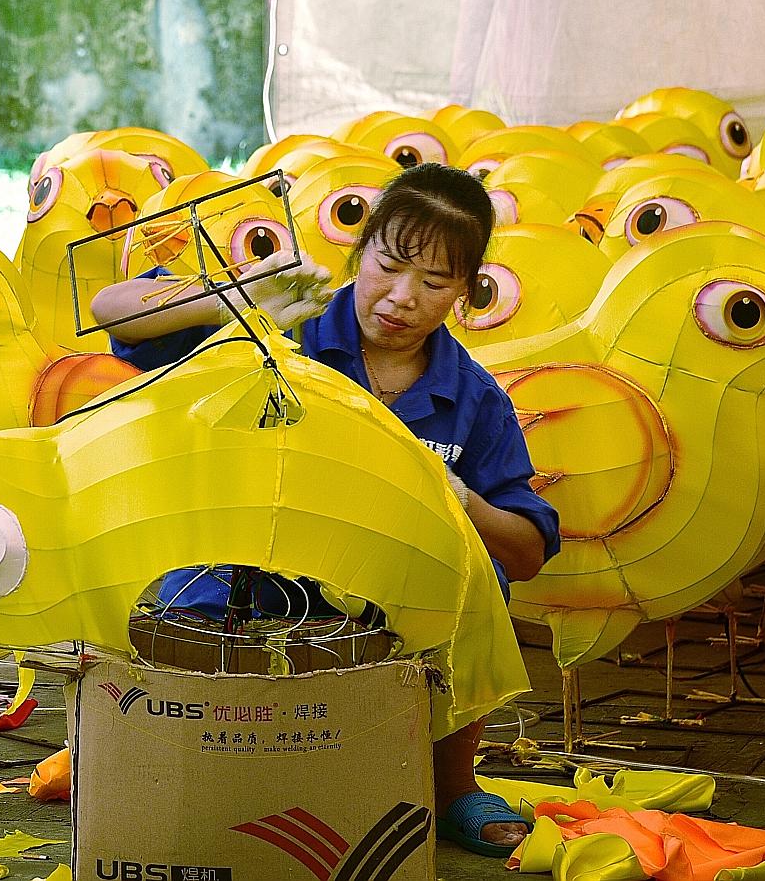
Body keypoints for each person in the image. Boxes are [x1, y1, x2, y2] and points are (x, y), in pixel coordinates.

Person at [90, 162, 560, 856]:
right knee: (178, 630)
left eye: (434, 284)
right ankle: (137, 752)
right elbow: (111, 308)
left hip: (379, 597)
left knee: (479, 581)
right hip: (245, 572)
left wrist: (463, 502)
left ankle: (453, 781)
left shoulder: (473, 398)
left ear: (467, 292)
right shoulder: (283, 322)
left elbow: (526, 547)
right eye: (390, 265)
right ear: (358, 249)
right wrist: (233, 298)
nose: (401, 298)